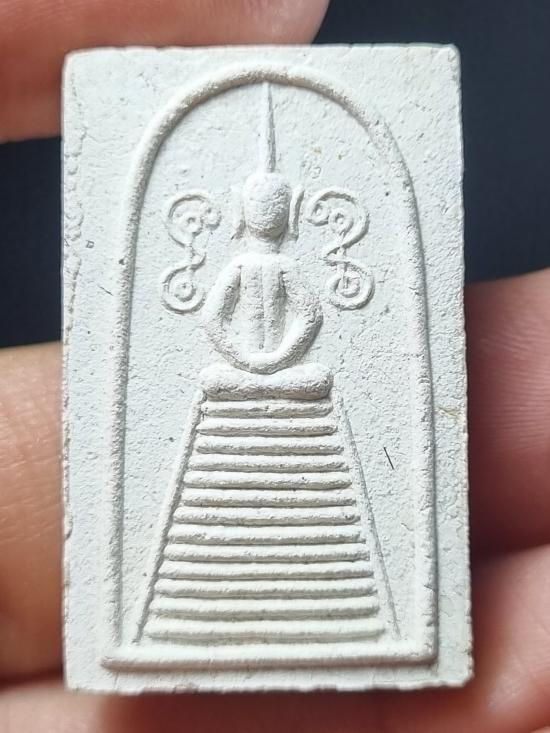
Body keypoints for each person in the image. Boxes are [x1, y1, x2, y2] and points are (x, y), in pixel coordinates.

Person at [1, 2, 549, 731]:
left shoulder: (289, 269)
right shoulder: (243, 268)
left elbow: (309, 318)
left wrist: (272, 357)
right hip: (245, 374)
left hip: (285, 374)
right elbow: (217, 319)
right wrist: (251, 357)